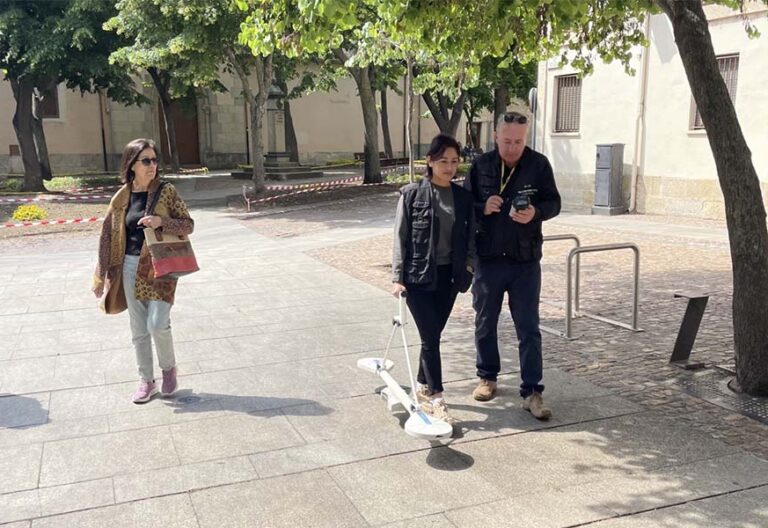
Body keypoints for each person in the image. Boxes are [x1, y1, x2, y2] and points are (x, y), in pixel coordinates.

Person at [463, 111, 561, 420]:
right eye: (507, 141)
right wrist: (482, 207)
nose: (512, 148)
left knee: (529, 327)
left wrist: (536, 213)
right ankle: (487, 377)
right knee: (485, 321)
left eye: (519, 142)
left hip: (524, 261)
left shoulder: (538, 165)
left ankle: (532, 391)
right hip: (489, 260)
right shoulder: (481, 165)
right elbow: (463, 206)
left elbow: (554, 203)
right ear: (495, 136)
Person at [92, 138, 194, 403]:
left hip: (160, 265)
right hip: (128, 265)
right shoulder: (121, 197)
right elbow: (107, 237)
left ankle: (169, 369)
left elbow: (188, 224)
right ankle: (146, 381)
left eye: (155, 160)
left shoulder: (166, 191)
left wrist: (161, 221)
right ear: (132, 164)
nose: (152, 165)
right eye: (146, 160)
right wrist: (101, 275)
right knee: (138, 328)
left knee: (157, 323)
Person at [392, 134, 476, 424]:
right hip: (418, 277)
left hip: (449, 277)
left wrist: (469, 267)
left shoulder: (463, 197)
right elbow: (400, 237)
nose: (449, 167)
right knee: (430, 338)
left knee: (432, 336)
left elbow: (471, 237)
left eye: (454, 161)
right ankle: (438, 397)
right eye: (443, 161)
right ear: (429, 161)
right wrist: (397, 277)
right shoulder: (411, 194)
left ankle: (421, 384)